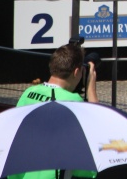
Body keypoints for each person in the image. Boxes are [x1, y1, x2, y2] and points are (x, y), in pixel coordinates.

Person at [9, 43, 98, 179]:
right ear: (76, 72)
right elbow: (97, 130)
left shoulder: (29, 92)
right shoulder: (73, 101)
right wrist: (91, 88)